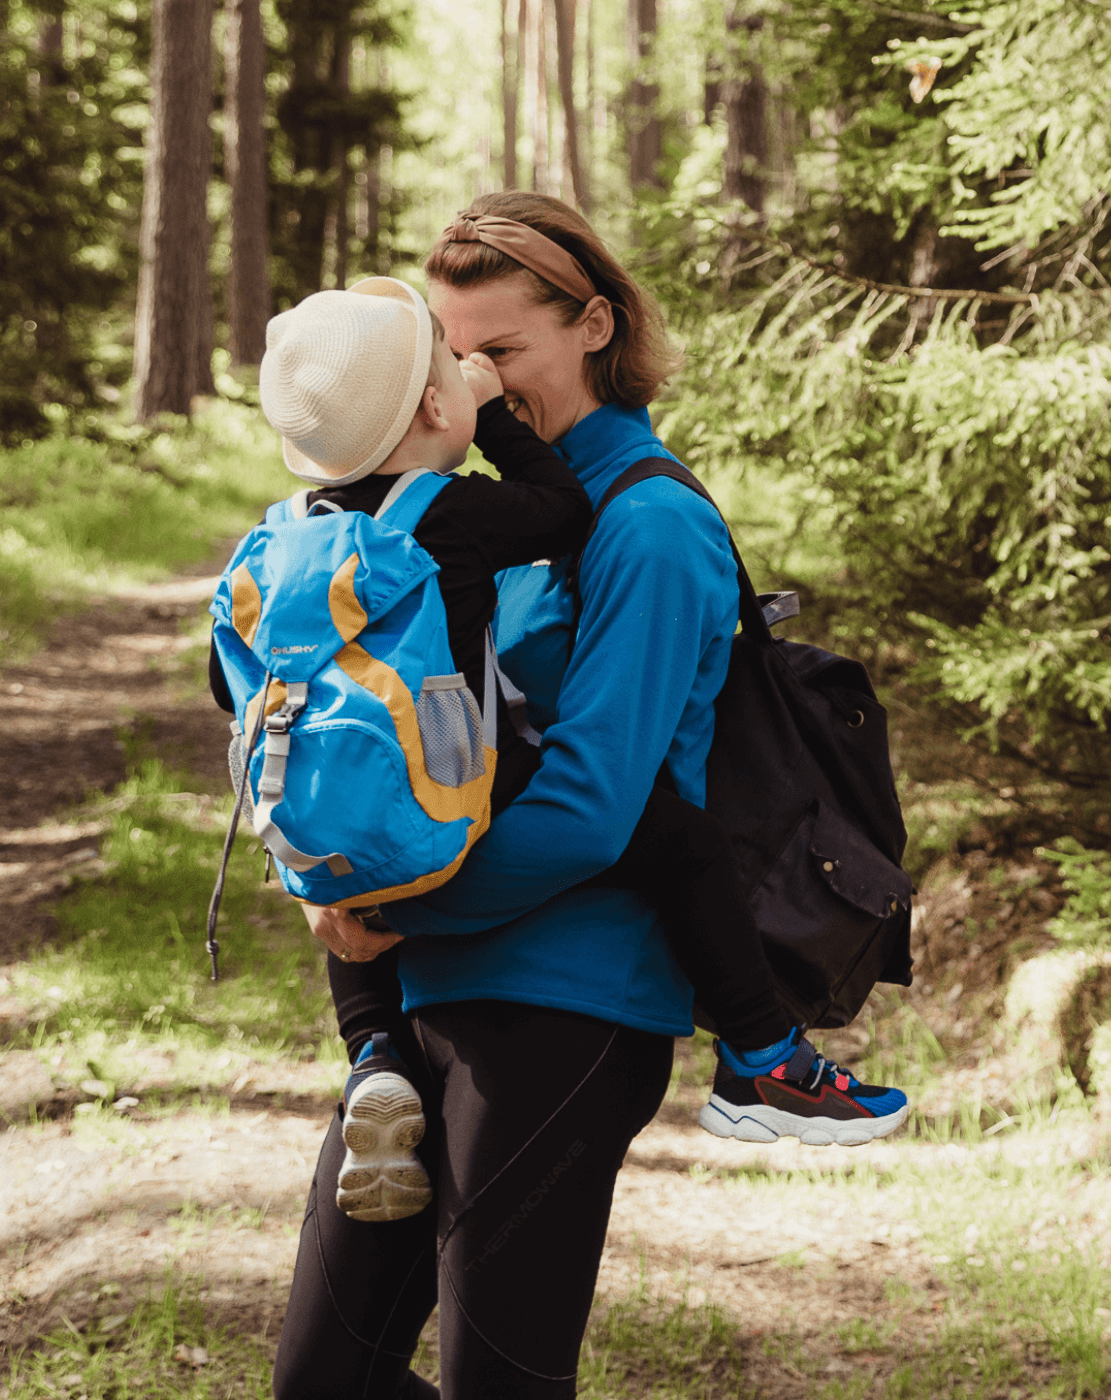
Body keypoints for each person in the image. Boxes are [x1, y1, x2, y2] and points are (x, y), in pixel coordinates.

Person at [268, 193, 905, 1400]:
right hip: (430, 997)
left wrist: (398, 908)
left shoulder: (651, 525)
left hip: (567, 1002)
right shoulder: (470, 516)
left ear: (596, 326)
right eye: (461, 359)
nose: (486, 384)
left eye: (506, 350)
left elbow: (594, 805)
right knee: (321, 1378)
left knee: (500, 1382)